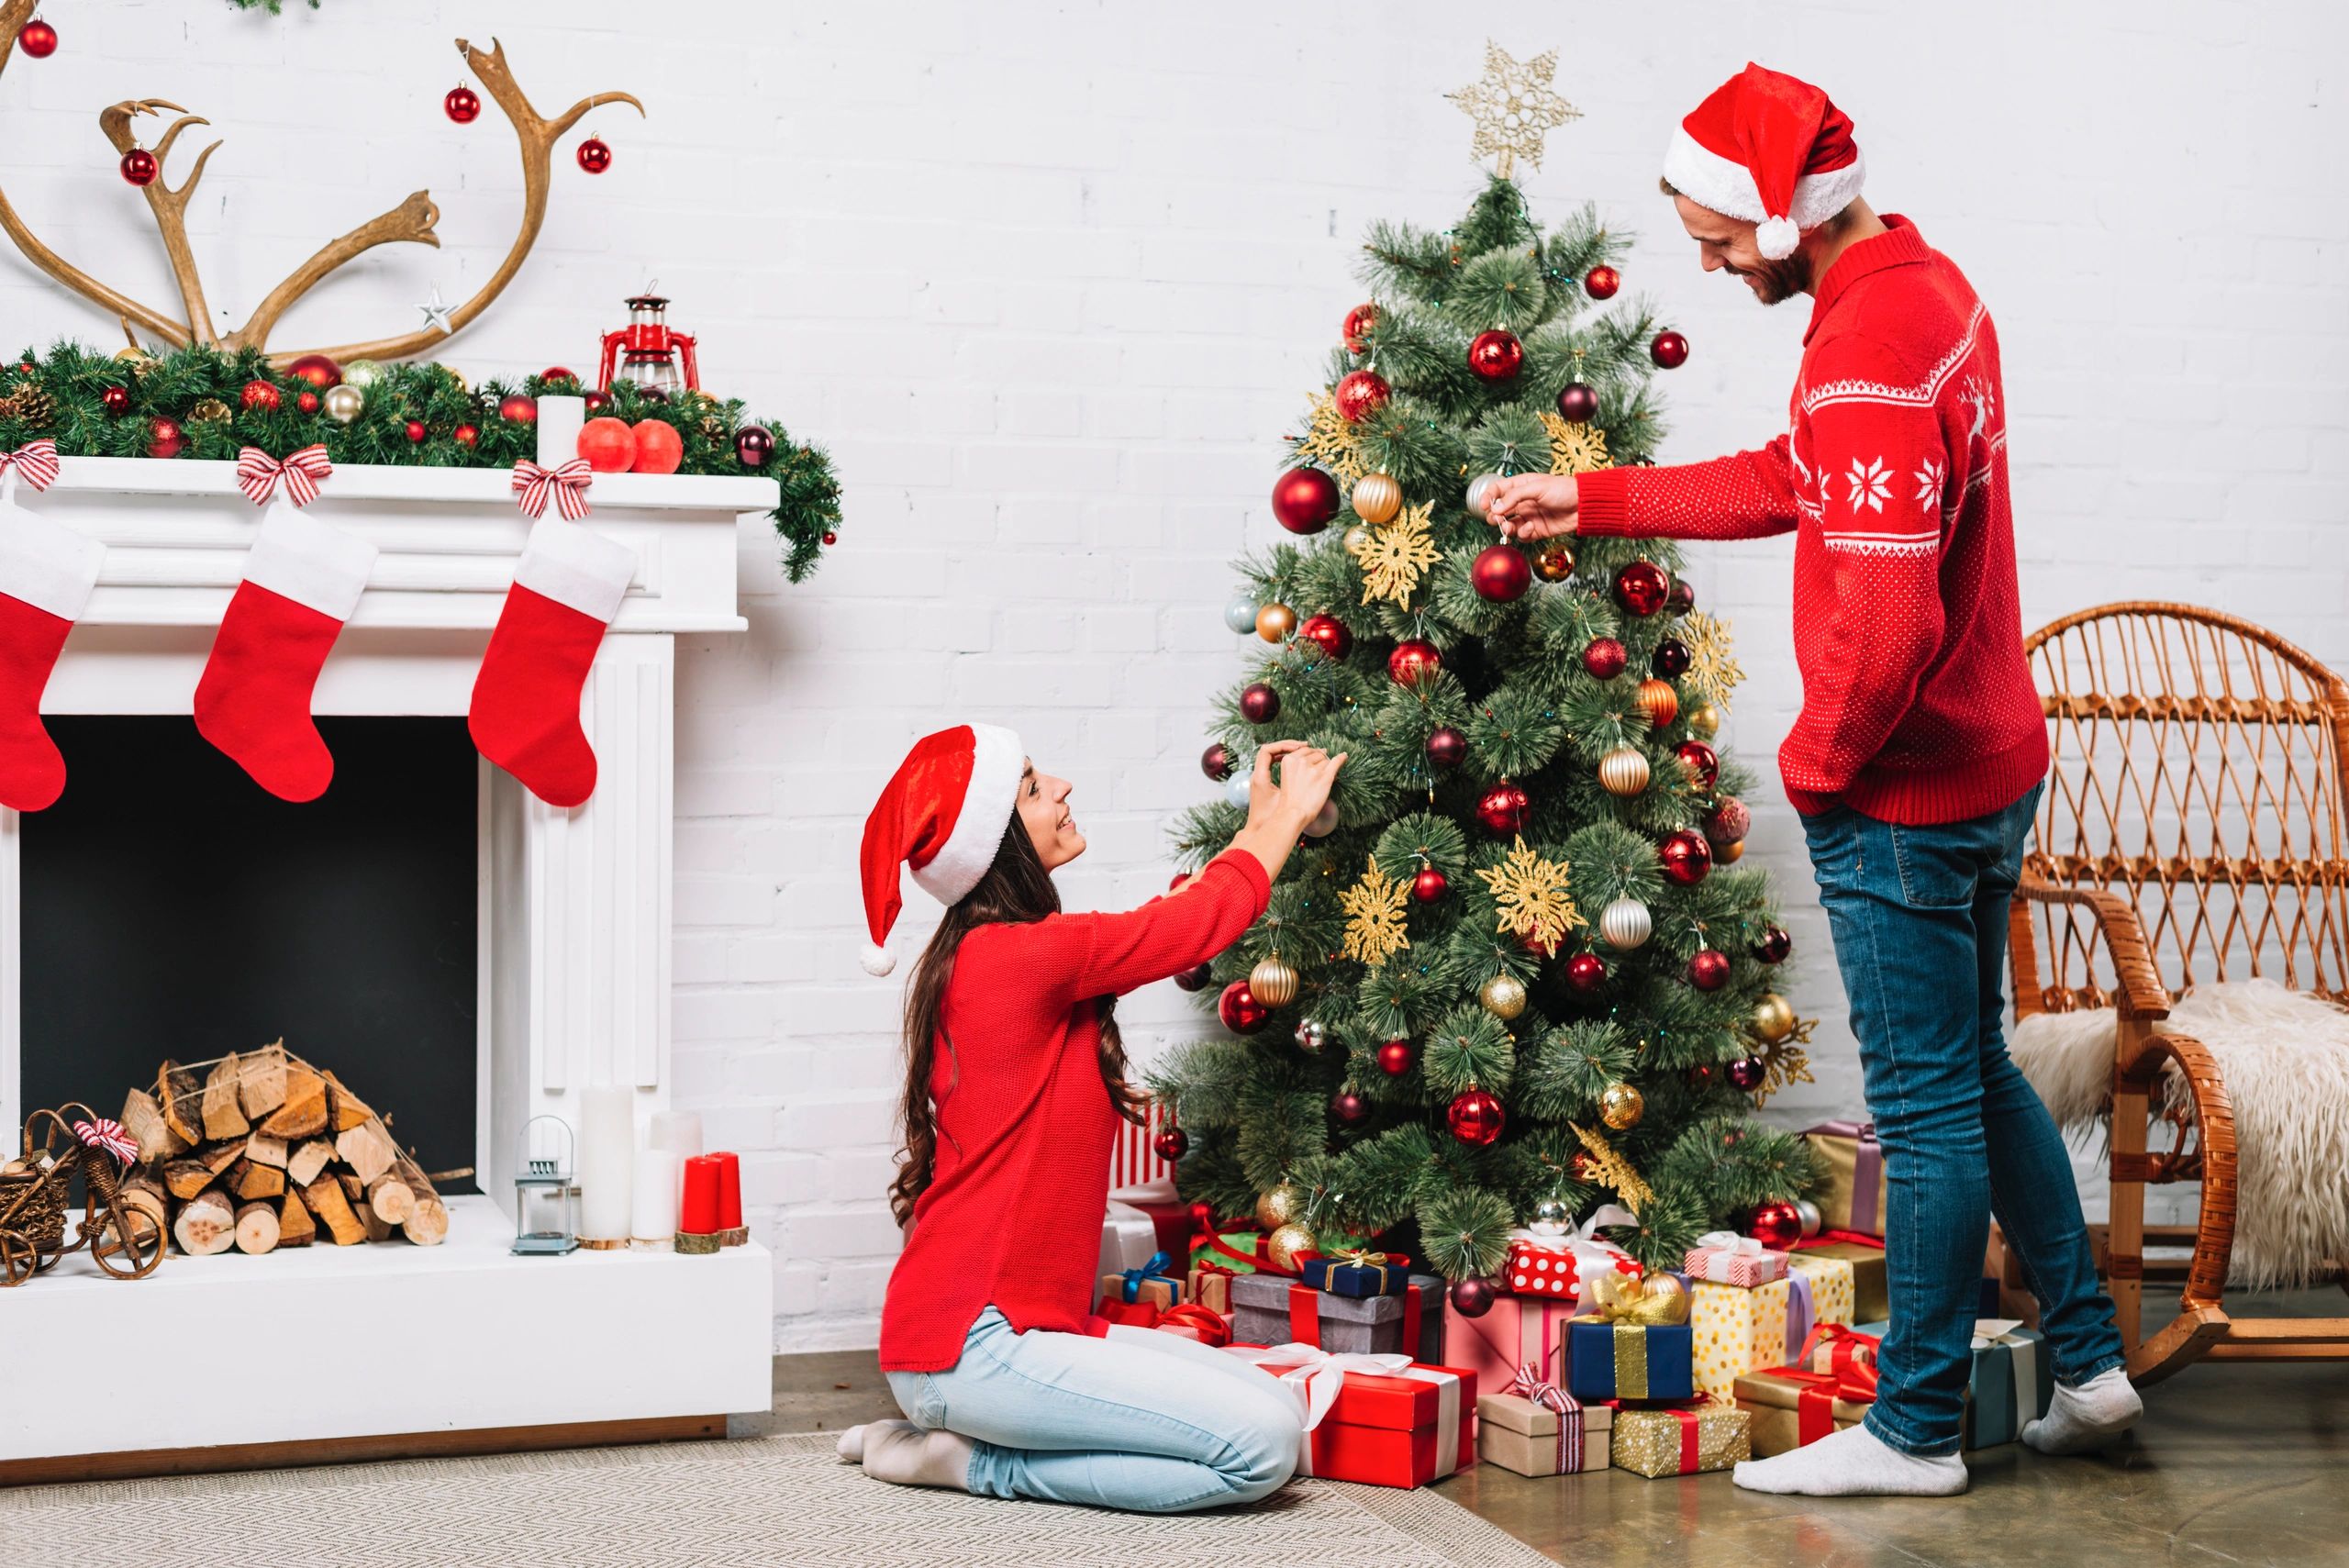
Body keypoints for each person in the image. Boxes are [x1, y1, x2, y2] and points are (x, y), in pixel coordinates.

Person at [1484, 63, 2141, 1496]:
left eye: (1717, 242)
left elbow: (1893, 620)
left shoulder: (1862, 354)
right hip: (1991, 759)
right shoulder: (1924, 290)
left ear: (1779, 221)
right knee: (1974, 1065)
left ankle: (1912, 1433)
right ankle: (2087, 1364)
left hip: (1905, 796)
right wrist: (1585, 499)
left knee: (1921, 1109)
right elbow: (1796, 477)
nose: (1712, 269)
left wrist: (1817, 766)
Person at [839, 722, 1345, 1511]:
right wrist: (1281, 820)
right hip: (973, 1347)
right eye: (1034, 787)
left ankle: (952, 1437)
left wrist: (1254, 825)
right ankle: (965, 1462)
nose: (1062, 787)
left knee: (1285, 1412)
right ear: (995, 840)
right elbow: (1185, 928)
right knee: (1261, 1448)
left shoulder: (1006, 951)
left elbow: (1163, 921)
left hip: (1024, 1333)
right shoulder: (1015, 954)